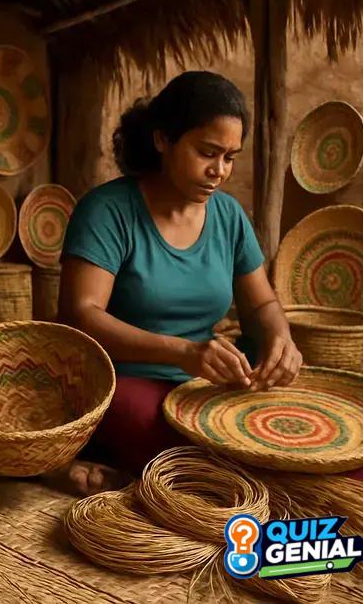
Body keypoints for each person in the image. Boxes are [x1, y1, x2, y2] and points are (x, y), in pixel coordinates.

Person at [57, 70, 303, 495]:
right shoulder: (108, 212)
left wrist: (281, 337)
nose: (220, 171)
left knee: (297, 440)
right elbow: (81, 316)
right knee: (210, 462)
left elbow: (261, 305)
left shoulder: (229, 217)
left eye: (230, 157)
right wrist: (183, 352)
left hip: (205, 384)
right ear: (162, 140)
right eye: (208, 152)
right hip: (121, 381)